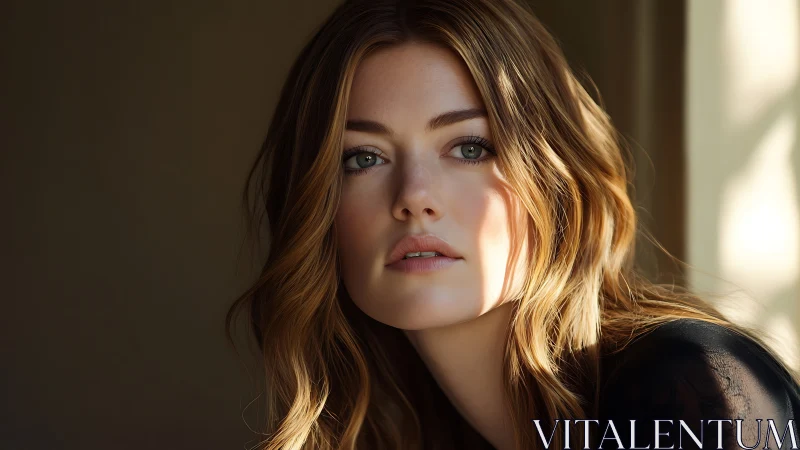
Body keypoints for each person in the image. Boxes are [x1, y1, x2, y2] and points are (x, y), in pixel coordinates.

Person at [226, 0, 800, 449]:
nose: (414, 198)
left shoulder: (686, 388)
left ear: (554, 178)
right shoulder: (416, 431)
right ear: (317, 208)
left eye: (470, 147)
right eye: (364, 158)